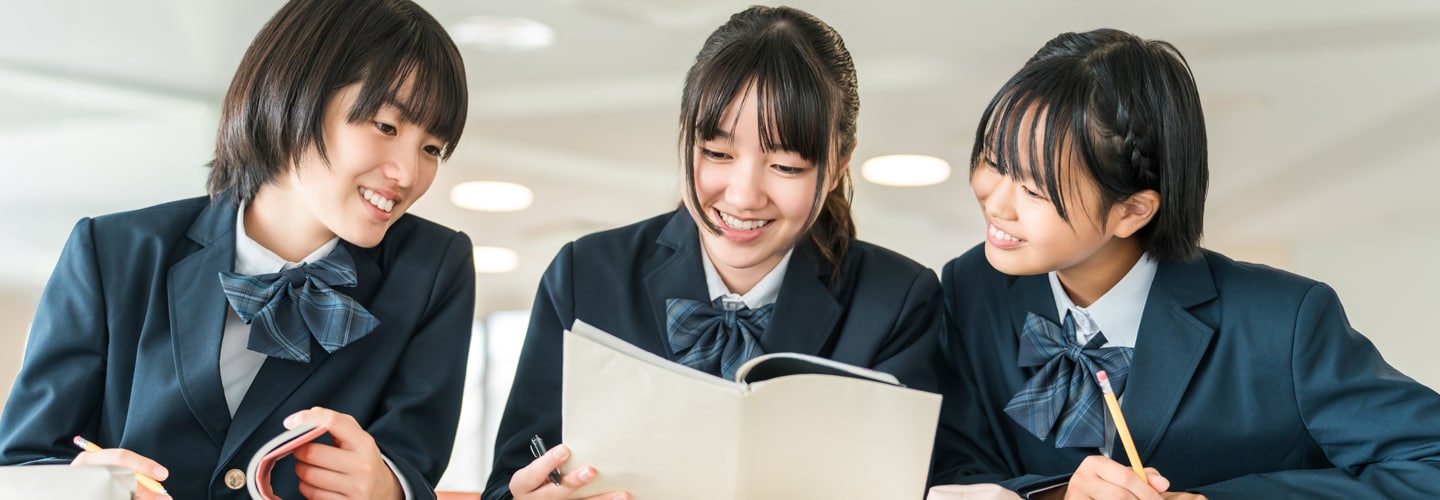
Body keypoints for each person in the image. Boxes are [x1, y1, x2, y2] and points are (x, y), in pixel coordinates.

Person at [931, 28, 1440, 499]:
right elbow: (947, 466)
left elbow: (1430, 462)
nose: (995, 201)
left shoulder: (1282, 322)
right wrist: (1053, 494)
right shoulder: (972, 290)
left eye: (1034, 188)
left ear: (1132, 211)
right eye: (993, 161)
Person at [0, 0, 474, 498]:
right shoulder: (113, 251)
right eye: (386, 126)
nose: (408, 174)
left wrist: (387, 487)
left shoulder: (435, 269)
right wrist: (79, 487)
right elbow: (23, 461)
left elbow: (415, 467)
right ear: (298, 96)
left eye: (431, 149)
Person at [483, 6, 943, 500]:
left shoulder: (898, 302)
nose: (744, 196)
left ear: (836, 166)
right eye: (718, 154)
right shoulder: (585, 276)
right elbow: (514, 474)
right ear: (685, 136)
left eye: (785, 165)